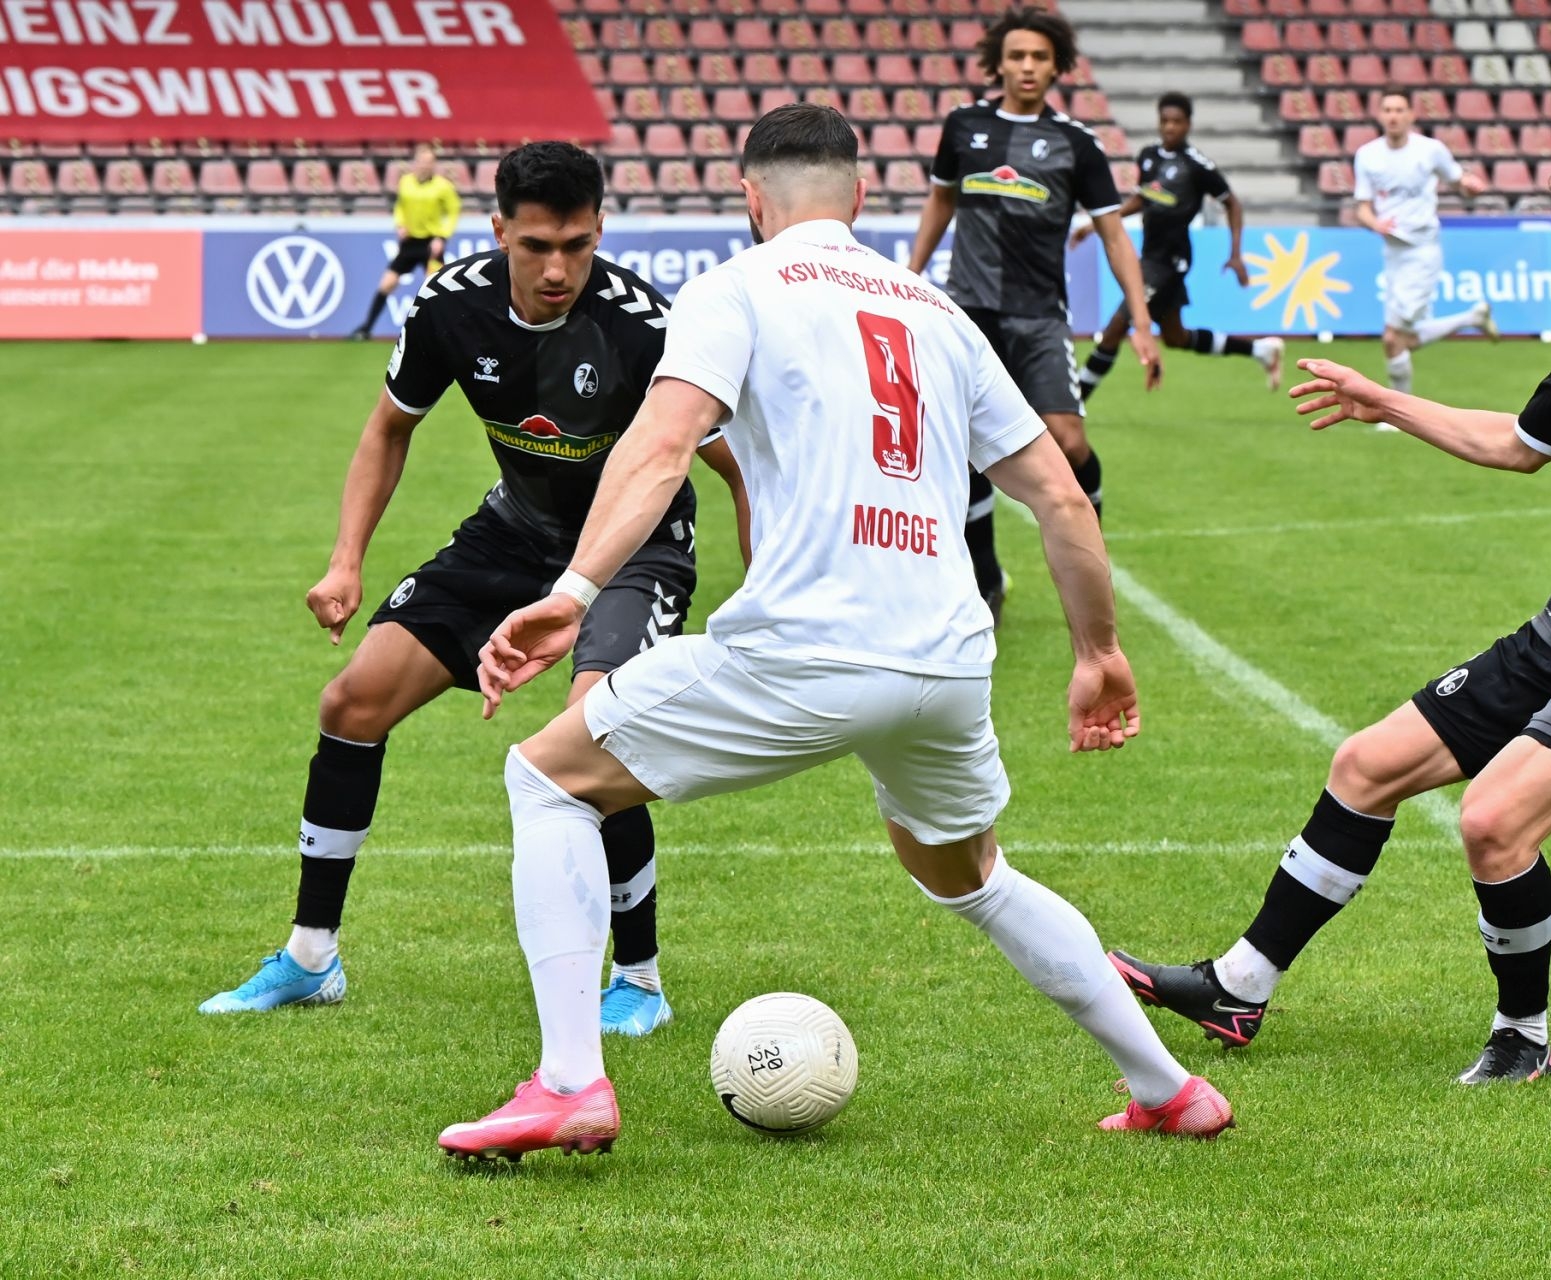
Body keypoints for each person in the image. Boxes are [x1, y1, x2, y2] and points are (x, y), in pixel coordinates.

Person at [436, 105, 1232, 1162]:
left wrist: (574, 590)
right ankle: (1170, 1088)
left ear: (750, 200)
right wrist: (1099, 653)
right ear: (859, 197)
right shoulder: (938, 312)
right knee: (974, 875)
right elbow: (1059, 494)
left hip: (806, 650)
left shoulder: (735, 288)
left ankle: (570, 1082)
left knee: (547, 780)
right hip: (946, 661)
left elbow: (663, 443)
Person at [1109, 152, 1551, 1084]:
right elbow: (1516, 445)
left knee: (1491, 822)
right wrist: (1383, 402)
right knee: (1366, 765)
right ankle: (1239, 986)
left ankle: (1524, 1039)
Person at [200, 142, 752, 1043]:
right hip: (514, 533)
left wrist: (760, 588)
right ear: (498, 230)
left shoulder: (646, 328)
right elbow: (389, 429)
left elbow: (740, 467)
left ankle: (640, 979)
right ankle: (310, 957)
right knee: (353, 702)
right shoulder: (449, 306)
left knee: (593, 733)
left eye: (576, 244)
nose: (557, 269)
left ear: (600, 229)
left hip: (635, 548)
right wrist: (345, 561)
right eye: (536, 246)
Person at [907, 4, 1159, 625]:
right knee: (965, 450)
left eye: (1039, 57)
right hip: (966, 314)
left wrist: (1141, 321)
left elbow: (1114, 236)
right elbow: (940, 203)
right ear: (998, 63)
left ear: (1057, 67)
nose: (1027, 66)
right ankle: (986, 579)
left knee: (1067, 440)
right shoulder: (963, 126)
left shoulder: (1077, 143)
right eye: (1016, 56)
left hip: (1040, 316)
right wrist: (909, 277)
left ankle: (1091, 537)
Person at [1070, 92, 1284, 402]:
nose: (1170, 127)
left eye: (1177, 121)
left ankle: (1074, 403)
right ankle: (1261, 350)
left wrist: (1236, 254)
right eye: (1165, 121)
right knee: (1176, 337)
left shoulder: (1197, 165)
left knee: (1116, 327)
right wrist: (1097, 224)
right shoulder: (1148, 156)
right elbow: (1143, 199)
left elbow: (1233, 204)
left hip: (1171, 261)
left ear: (1188, 124)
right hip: (1151, 256)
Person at [1353, 88, 1496, 424]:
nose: (1393, 116)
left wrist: (1470, 186)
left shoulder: (1430, 150)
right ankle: (1472, 318)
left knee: (1393, 338)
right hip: (1392, 254)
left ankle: (1395, 417)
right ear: (1380, 115)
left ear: (1410, 115)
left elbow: (1458, 182)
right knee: (1404, 339)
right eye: (1388, 109)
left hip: (1422, 252)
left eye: (1399, 109)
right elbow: (1362, 209)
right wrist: (1375, 223)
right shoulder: (1367, 155)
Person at [349, 145, 462, 342]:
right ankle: (366, 328)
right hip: (409, 243)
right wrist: (400, 224)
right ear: (415, 163)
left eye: (429, 162)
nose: (425, 165)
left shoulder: (443, 187)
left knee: (438, 290)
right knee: (386, 284)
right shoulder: (405, 182)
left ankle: (450, 332)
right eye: (422, 161)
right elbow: (400, 207)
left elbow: (453, 212)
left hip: (431, 244)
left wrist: (442, 237)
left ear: (434, 164)